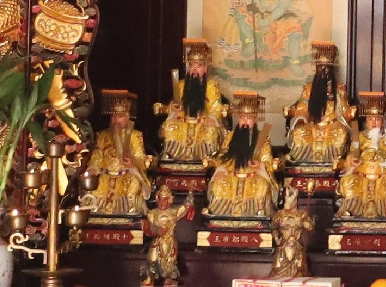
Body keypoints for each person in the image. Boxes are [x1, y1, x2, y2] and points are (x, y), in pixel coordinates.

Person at [204, 91, 281, 219]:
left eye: (249, 118)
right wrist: (220, 169)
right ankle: (218, 214)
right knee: (218, 184)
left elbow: (267, 160)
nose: (245, 121)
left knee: (262, 186)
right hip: (232, 173)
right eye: (242, 117)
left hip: (254, 175)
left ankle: (258, 214)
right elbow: (223, 156)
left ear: (255, 119)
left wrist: (260, 165)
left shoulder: (262, 138)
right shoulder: (230, 136)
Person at [81, 88, 150, 216]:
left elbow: (140, 157)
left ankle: (128, 211)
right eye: (114, 116)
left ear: (128, 117)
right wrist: (93, 168)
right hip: (105, 175)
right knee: (94, 187)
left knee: (134, 182)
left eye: (121, 116)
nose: (117, 120)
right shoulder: (103, 135)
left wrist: (132, 163)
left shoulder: (135, 135)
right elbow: (97, 155)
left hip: (126, 174)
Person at [157, 37, 225, 167]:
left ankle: (205, 160)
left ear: (205, 68)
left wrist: (211, 118)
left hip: (202, 124)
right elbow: (175, 105)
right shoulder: (182, 85)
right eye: (191, 66)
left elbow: (216, 109)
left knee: (210, 131)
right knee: (169, 127)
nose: (194, 71)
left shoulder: (211, 86)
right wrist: (173, 108)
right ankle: (172, 158)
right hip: (184, 123)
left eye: (198, 66)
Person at [334, 92, 386, 220]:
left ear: (382, 121)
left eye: (377, 120)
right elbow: (352, 153)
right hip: (362, 176)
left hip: (382, 176)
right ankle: (350, 210)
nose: (374, 123)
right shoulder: (359, 137)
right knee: (348, 183)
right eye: (370, 119)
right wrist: (352, 161)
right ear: (366, 121)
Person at [284, 42, 351, 172]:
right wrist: (301, 118)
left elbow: (345, 112)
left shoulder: (339, 88)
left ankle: (334, 163)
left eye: (327, 67)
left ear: (332, 69)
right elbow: (303, 106)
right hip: (312, 124)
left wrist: (339, 98)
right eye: (321, 67)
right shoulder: (309, 88)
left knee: (341, 134)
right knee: (299, 134)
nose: (324, 71)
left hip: (332, 125)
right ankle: (302, 164)